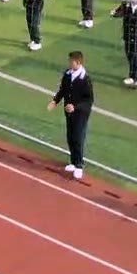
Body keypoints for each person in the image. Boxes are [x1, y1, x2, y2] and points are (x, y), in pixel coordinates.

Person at [48, 50, 94, 179]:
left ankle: (79, 164)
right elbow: (63, 90)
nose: (69, 63)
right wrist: (55, 101)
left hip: (80, 114)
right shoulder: (68, 75)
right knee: (70, 137)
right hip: (68, 112)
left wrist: (75, 107)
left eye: (71, 61)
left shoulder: (85, 79)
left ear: (78, 62)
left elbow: (89, 100)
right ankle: (73, 161)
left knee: (78, 138)